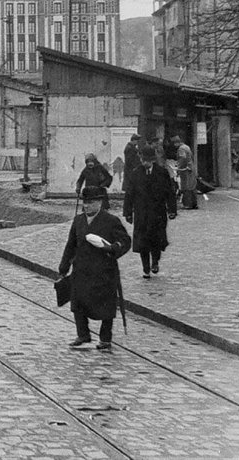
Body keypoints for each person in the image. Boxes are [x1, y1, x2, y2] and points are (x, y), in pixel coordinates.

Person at [58, 186, 131, 352]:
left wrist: (114, 248)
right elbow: (71, 245)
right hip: (81, 269)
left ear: (99, 203)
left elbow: (125, 241)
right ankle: (83, 334)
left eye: (90, 203)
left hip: (103, 270)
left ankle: (105, 339)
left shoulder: (111, 221)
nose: (87, 206)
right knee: (78, 302)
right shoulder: (78, 221)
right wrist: (63, 267)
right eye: (85, 203)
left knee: (106, 305)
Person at [123, 145, 177, 279]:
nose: (145, 163)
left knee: (157, 240)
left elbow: (169, 192)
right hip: (141, 213)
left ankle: (155, 261)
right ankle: (145, 267)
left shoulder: (162, 172)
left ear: (152, 160)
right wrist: (128, 212)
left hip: (158, 213)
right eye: (143, 160)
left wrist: (172, 210)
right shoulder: (136, 173)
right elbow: (129, 194)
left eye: (147, 160)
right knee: (142, 242)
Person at [172, 135, 197, 209]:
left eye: (174, 143)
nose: (174, 145)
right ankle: (194, 203)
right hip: (190, 167)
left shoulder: (181, 149)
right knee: (192, 186)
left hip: (185, 170)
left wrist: (178, 168)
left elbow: (182, 158)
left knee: (186, 187)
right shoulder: (186, 147)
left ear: (177, 143)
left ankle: (187, 204)